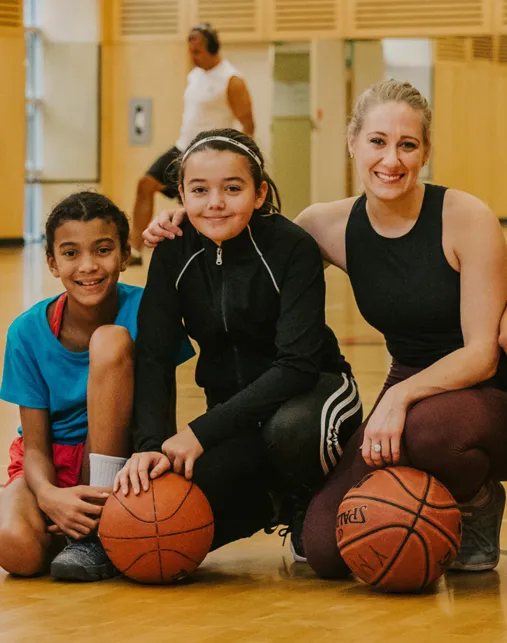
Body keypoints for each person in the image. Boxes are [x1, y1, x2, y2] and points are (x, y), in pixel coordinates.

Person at [143, 80, 507, 577]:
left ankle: (478, 497)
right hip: (413, 382)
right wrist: (189, 213)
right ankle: (296, 502)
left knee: (426, 434)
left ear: (424, 152)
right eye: (378, 141)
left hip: (483, 386)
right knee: (327, 548)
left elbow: (482, 353)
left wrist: (398, 399)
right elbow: (251, 237)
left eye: (408, 144)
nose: (391, 159)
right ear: (353, 143)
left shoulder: (466, 216)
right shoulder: (322, 225)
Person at [115, 129, 362, 561]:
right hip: (236, 412)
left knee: (290, 433)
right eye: (199, 190)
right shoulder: (172, 252)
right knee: (168, 518)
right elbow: (154, 357)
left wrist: (199, 432)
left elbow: (296, 365)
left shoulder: (291, 248)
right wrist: (150, 445)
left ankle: (310, 490)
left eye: (232, 188)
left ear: (260, 192)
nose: (215, 202)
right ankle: (272, 501)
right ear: (181, 195)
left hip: (313, 397)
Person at [0, 192, 193, 582]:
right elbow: (35, 446)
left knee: (110, 339)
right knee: (15, 549)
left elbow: (162, 413)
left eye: (103, 250)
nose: (88, 266)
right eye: (71, 253)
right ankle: (71, 527)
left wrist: (183, 217)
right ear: (53, 262)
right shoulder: (26, 331)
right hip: (51, 463)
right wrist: (52, 497)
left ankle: (97, 534)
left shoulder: (150, 309)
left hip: (122, 460)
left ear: (124, 255)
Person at [129, 23, 254, 265]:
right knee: (145, 184)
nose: (192, 57)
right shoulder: (195, 75)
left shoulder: (231, 80)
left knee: (193, 204)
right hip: (182, 147)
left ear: (212, 49)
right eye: (190, 51)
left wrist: (239, 158)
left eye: (197, 51)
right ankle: (135, 250)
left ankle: (208, 254)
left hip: (208, 154)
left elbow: (248, 123)